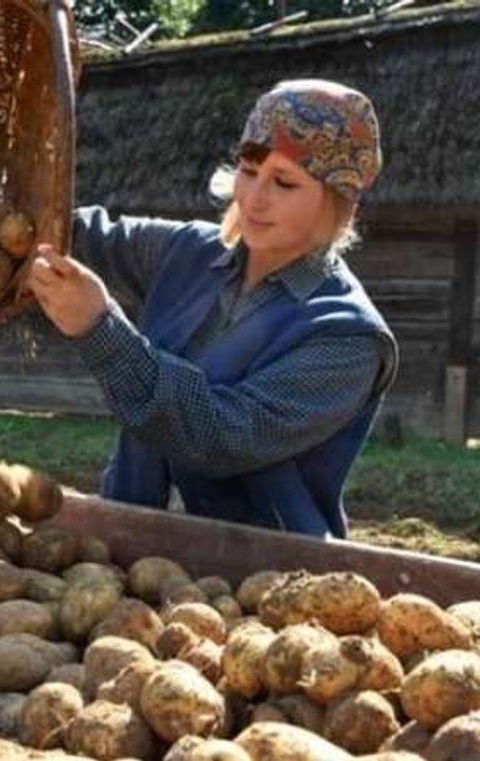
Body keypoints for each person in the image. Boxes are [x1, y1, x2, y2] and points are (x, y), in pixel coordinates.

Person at [27, 79, 398, 538]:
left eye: (284, 182)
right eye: (248, 169)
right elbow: (72, 233)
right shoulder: (189, 254)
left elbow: (218, 437)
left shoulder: (346, 337)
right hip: (125, 547)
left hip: (261, 578)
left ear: (337, 202)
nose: (255, 198)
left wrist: (99, 329)